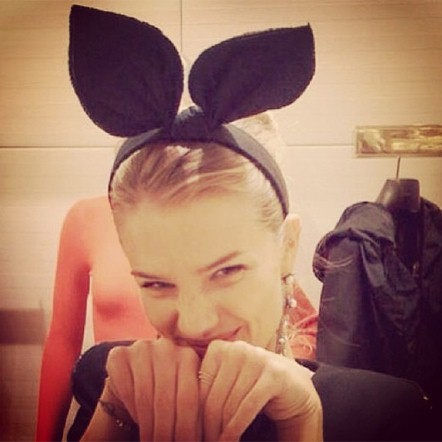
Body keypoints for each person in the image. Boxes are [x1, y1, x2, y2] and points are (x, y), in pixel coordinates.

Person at [65, 5, 435, 441]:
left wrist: (302, 423)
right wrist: (113, 414)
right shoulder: (108, 383)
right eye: (157, 283)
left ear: (287, 247)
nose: (196, 323)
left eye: (227, 271)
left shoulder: (379, 414)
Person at [36, 196, 159, 441]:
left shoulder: (221, 211)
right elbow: (63, 341)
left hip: (202, 417)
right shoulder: (88, 218)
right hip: (104, 414)